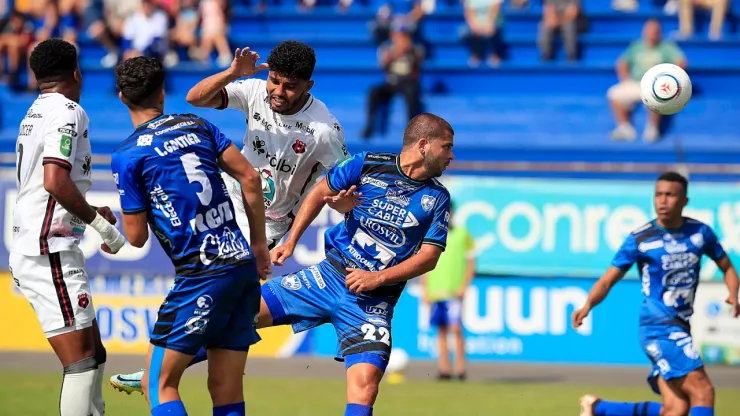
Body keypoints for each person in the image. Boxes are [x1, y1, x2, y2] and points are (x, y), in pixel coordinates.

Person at [110, 39, 350, 394]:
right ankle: (157, 371)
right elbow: (196, 98)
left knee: (235, 313)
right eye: (275, 81)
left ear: (308, 86)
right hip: (222, 209)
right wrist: (232, 73)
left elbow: (334, 186)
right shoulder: (254, 92)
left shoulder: (324, 130)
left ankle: (157, 370)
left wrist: (302, 231)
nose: (279, 91)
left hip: (263, 224)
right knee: (227, 309)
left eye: (290, 86)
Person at [262, 112, 454, 415]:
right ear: (423, 145)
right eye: (447, 147)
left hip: (372, 303)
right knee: (236, 314)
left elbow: (429, 257)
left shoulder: (438, 198)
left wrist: (378, 279)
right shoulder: (367, 163)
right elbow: (320, 192)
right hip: (326, 278)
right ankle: (168, 372)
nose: (451, 156)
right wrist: (290, 241)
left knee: (365, 388)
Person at [110, 56, 270, 416]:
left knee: (158, 383)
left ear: (122, 97)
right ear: (163, 95)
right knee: (225, 387)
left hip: (202, 275)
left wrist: (109, 232)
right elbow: (251, 178)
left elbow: (135, 239)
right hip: (241, 264)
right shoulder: (197, 124)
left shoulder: (127, 155)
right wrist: (259, 244)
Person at [10, 38, 125, 416]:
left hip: (44, 244)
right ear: (76, 72)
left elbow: (51, 185)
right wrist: (101, 227)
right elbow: (54, 182)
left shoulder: (35, 112)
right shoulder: (68, 111)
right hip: (49, 251)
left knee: (94, 352)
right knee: (82, 362)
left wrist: (89, 210)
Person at [573, 172, 740, 416]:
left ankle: (598, 408)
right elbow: (608, 279)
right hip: (658, 326)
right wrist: (587, 305)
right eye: (658, 195)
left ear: (684, 200)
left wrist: (733, 294)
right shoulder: (640, 239)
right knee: (703, 391)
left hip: (680, 325)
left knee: (676, 408)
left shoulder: (700, 233)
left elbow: (727, 268)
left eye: (670, 195)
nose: (662, 201)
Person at [421, 201, 475, 380]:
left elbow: (470, 263)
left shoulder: (463, 235)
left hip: (453, 291)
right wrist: (425, 289)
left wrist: (464, 286)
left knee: (456, 329)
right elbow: (424, 263)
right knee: (441, 330)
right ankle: (444, 369)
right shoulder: (432, 233)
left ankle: (461, 369)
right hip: (436, 290)